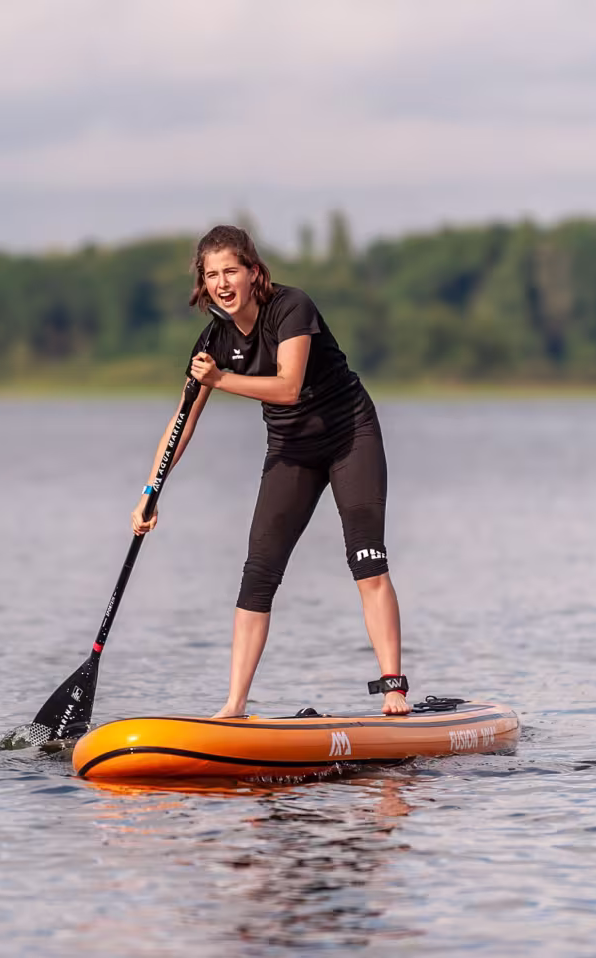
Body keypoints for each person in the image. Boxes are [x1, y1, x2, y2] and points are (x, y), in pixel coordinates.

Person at [130, 225, 410, 717]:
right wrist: (150, 492)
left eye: (230, 271)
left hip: (350, 437)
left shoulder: (291, 307)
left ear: (253, 272)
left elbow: (288, 386)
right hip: (290, 449)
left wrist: (221, 378)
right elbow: (181, 423)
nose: (222, 283)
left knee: (367, 561)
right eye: (211, 275)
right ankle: (234, 706)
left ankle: (393, 690)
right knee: (257, 575)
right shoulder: (213, 341)